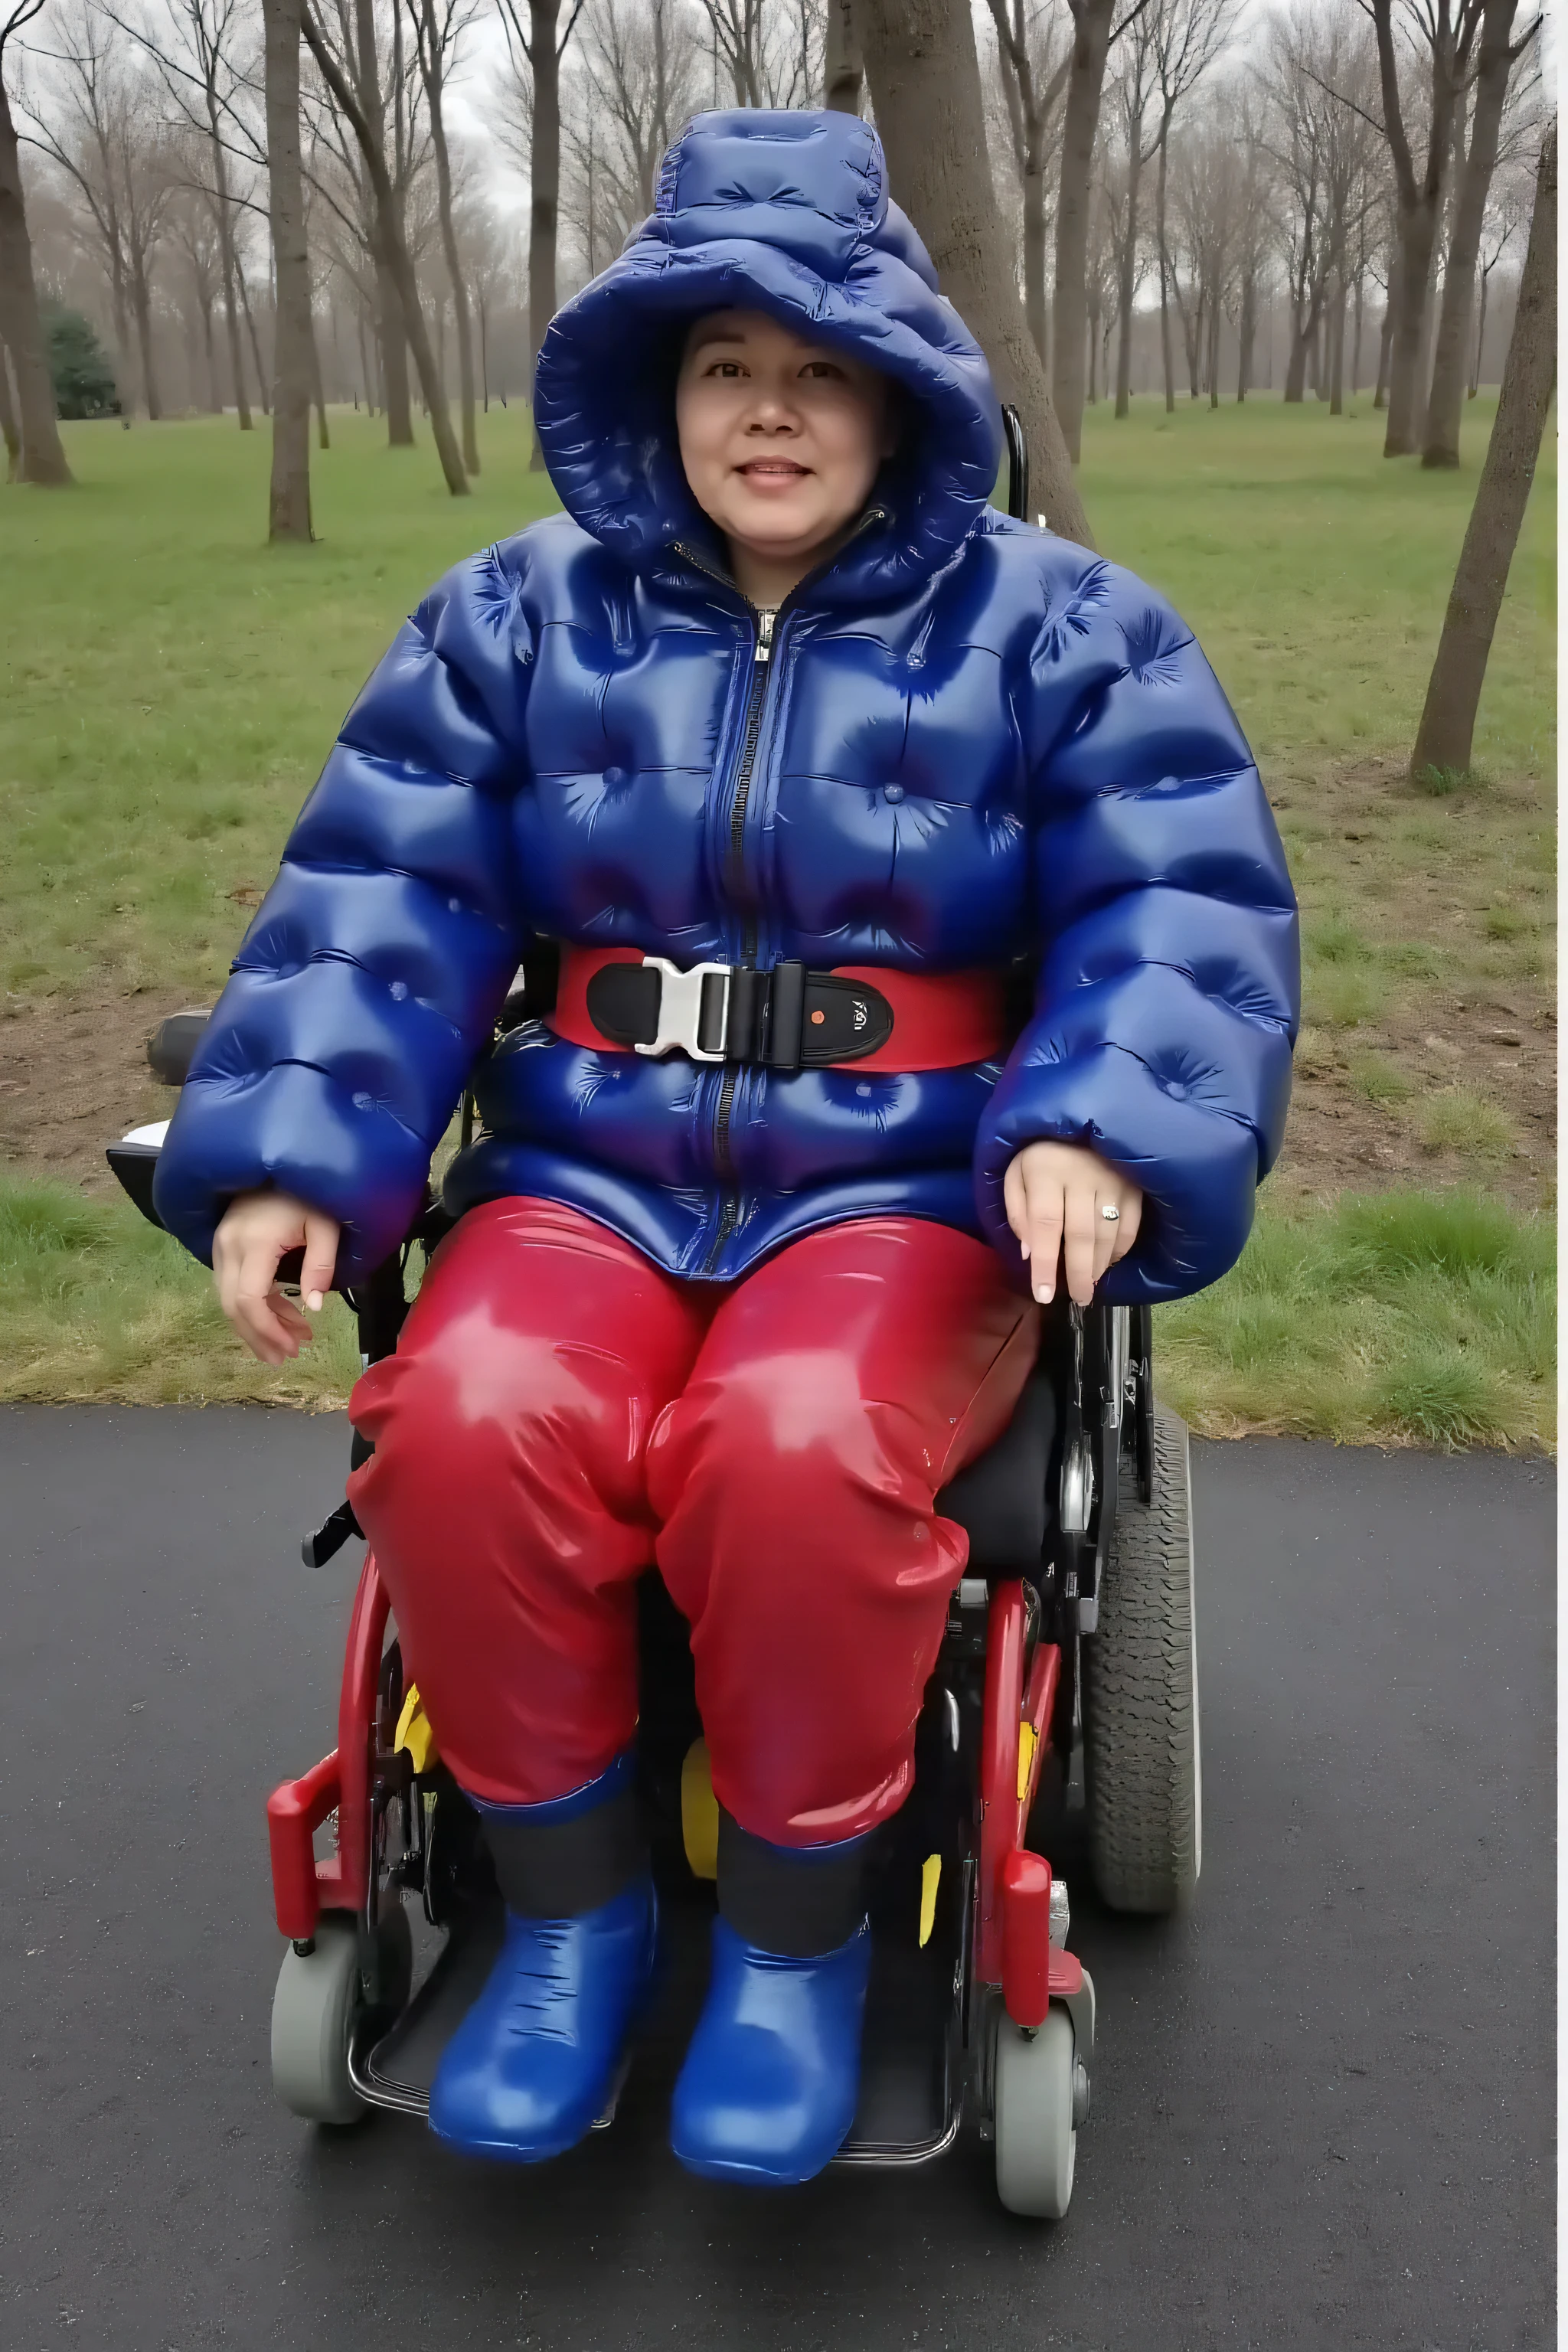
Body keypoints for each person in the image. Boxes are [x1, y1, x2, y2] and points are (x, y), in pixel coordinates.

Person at [153, 107, 1297, 2187]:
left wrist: (1103, 1126)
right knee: (463, 1412)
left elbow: (1180, 917)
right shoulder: (513, 622)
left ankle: (791, 1949)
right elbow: (384, 903)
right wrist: (291, 1152)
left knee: (789, 1443)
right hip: (588, 1173)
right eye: (720, 369)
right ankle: (575, 1924)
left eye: (818, 372)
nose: (768, 415)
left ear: (905, 392)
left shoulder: (1068, 635)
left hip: (904, 1185)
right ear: (649, 388)